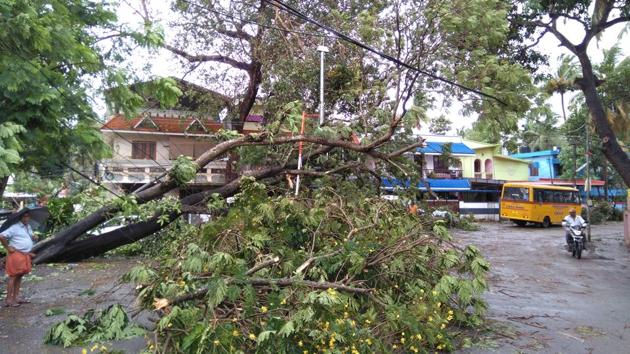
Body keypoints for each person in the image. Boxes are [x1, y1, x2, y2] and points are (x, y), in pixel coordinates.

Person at [0, 211, 37, 307]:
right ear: (21, 217)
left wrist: (33, 237)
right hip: (16, 254)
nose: (27, 218)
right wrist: (8, 248)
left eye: (28, 216)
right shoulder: (15, 227)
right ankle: (9, 300)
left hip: (25, 254)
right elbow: (2, 236)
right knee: (13, 276)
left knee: (20, 275)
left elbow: (30, 236)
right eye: (25, 216)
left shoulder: (28, 227)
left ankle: (16, 297)